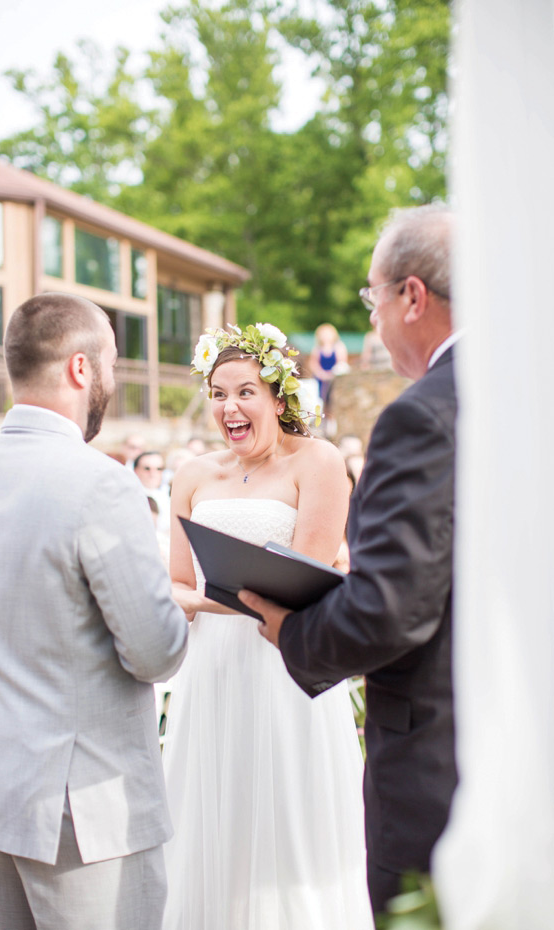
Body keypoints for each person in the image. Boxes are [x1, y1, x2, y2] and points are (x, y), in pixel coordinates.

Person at [0, 293, 188, 930]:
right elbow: (154, 650)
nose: (114, 373)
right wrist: (177, 606)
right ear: (81, 369)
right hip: (85, 807)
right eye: (110, 358)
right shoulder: (101, 483)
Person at [240, 205, 459, 916]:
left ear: (412, 297)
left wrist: (292, 629)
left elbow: (391, 608)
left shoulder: (423, 415)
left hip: (439, 753)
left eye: (373, 298)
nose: (374, 322)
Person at [162, 323, 374, 930]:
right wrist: (202, 604)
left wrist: (205, 599)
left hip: (286, 665)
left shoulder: (321, 462)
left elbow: (303, 584)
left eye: (245, 391)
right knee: (213, 809)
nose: (230, 406)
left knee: (288, 814)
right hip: (213, 671)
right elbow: (175, 582)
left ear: (278, 398)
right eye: (218, 393)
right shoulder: (194, 475)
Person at [134, 450, 170, 535]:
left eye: (159, 469)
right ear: (136, 470)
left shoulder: (167, 498)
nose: (153, 473)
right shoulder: (130, 497)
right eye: (147, 469)